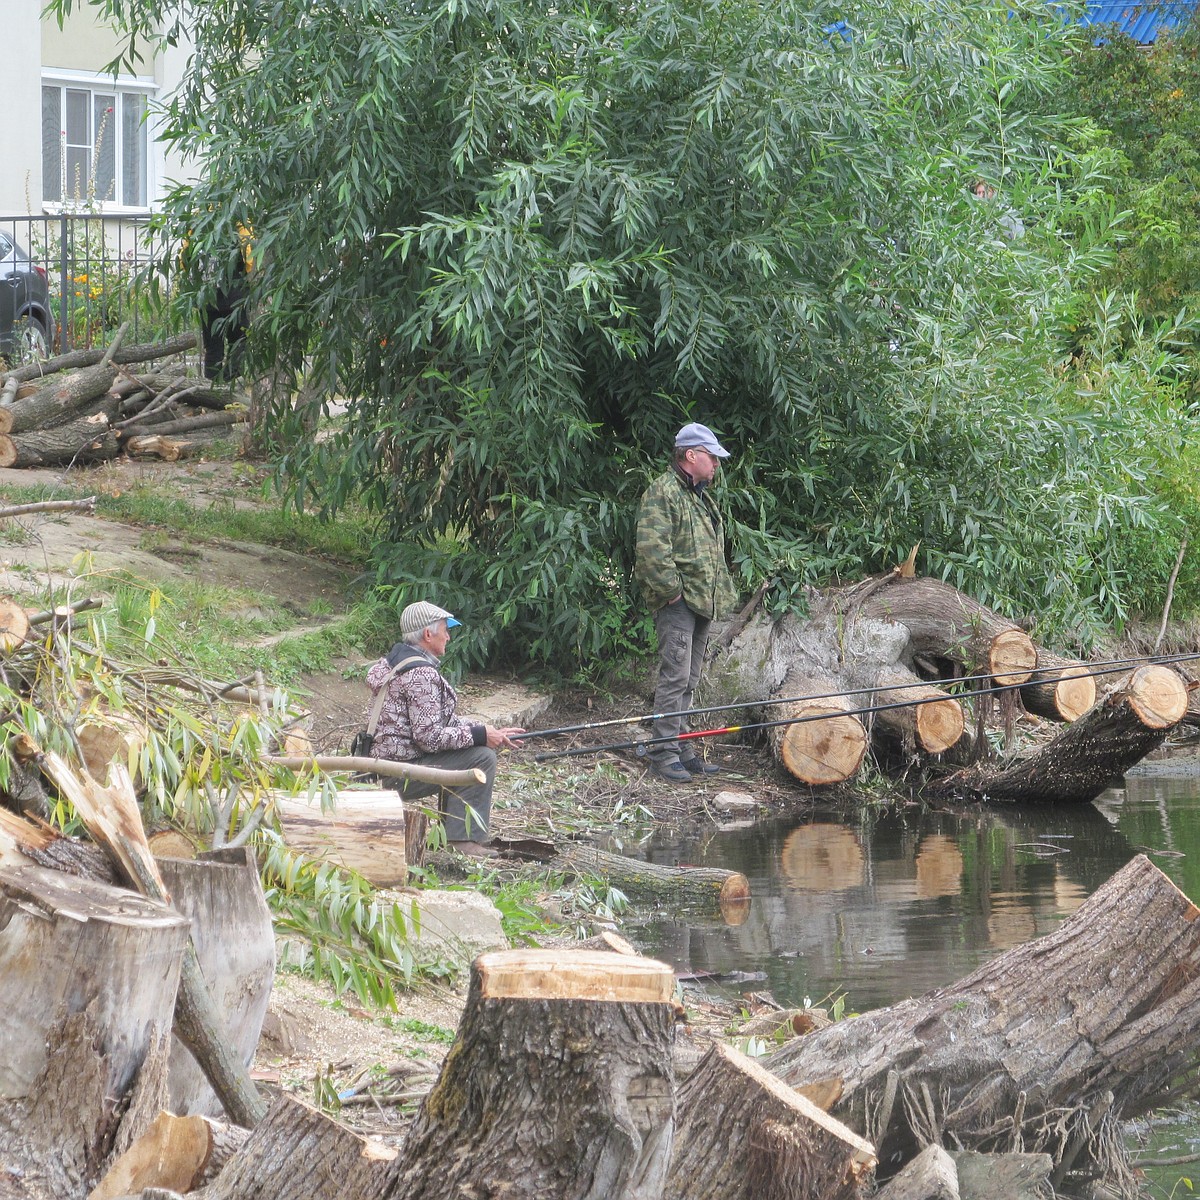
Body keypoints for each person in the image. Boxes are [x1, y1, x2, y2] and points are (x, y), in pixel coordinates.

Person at [366, 601, 523, 857]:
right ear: (428, 634)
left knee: (475, 748)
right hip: (396, 774)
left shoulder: (394, 664)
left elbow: (438, 722)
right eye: (445, 629)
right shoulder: (420, 675)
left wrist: (485, 730)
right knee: (482, 758)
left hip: (380, 767)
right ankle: (462, 841)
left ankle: (451, 832)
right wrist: (481, 736)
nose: (448, 636)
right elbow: (429, 737)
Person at [634, 422, 739, 784]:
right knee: (675, 676)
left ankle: (682, 745)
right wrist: (673, 592)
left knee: (691, 678)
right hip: (679, 602)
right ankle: (662, 752)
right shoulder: (663, 493)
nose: (717, 465)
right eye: (712, 457)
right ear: (690, 455)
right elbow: (651, 551)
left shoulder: (698, 494)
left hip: (701, 602)